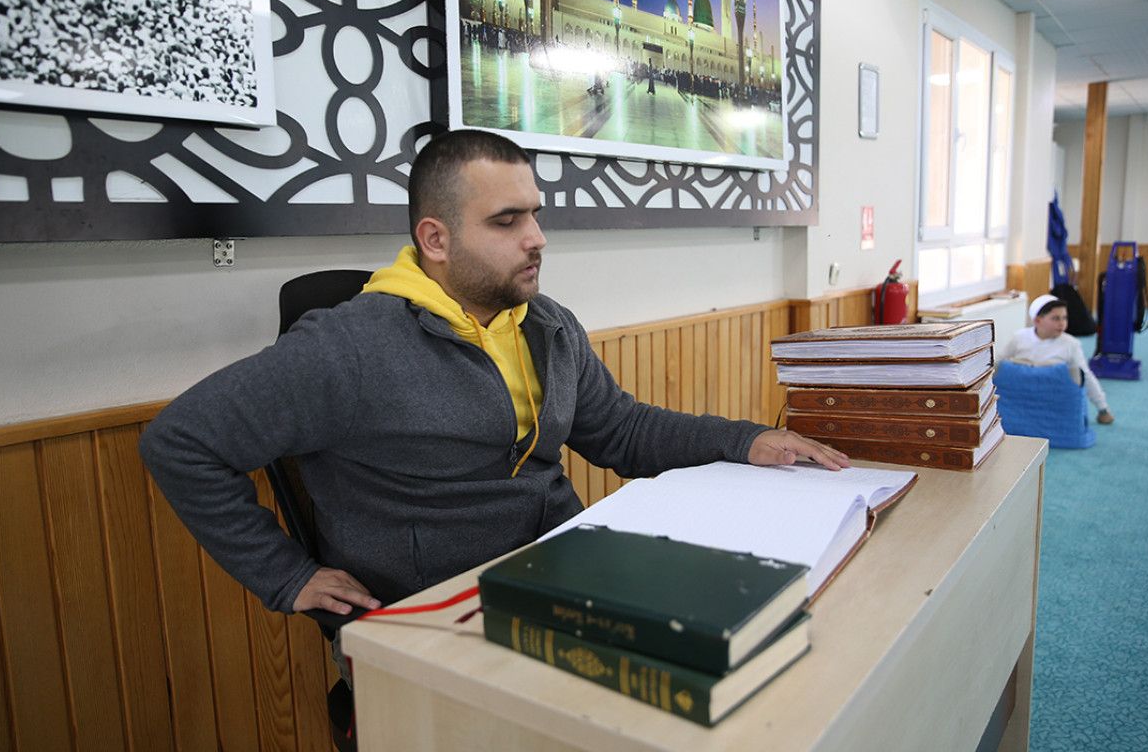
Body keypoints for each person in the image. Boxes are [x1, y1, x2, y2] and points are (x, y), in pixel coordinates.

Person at [139, 129, 848, 632]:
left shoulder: (545, 323)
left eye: (534, 213)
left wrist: (746, 441)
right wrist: (287, 577)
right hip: (438, 616)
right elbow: (180, 442)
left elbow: (621, 430)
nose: (536, 237)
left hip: (565, 575)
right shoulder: (348, 347)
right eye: (507, 221)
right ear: (435, 239)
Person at [1002, 294, 1114, 424]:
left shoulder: (1070, 344)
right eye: (1055, 318)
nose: (1062, 323)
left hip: (1054, 397)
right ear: (1037, 321)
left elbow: (1086, 376)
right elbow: (998, 365)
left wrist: (1103, 408)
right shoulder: (1019, 338)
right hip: (1024, 395)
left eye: (1064, 318)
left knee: (1076, 373)